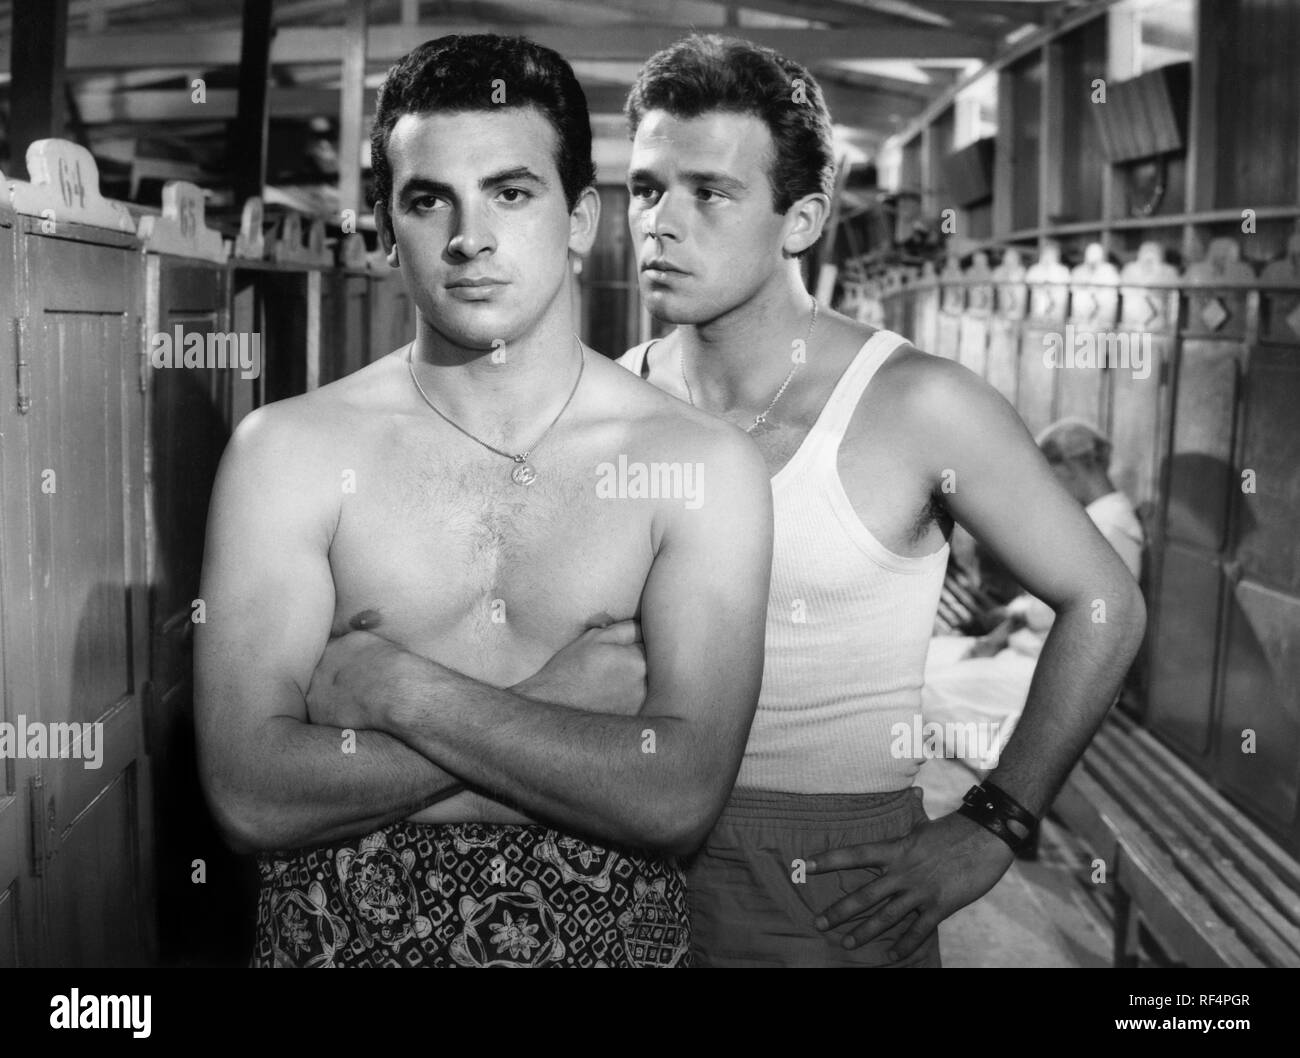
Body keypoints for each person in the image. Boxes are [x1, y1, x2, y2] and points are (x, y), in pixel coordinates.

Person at [194, 34, 772, 968]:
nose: (470, 236)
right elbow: (249, 798)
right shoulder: (288, 453)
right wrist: (562, 715)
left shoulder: (702, 468)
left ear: (581, 218)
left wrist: (391, 689)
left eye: (511, 192)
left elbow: (676, 802)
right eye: (429, 200)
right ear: (388, 226)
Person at [617, 34, 1146, 966]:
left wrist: (995, 821)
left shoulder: (918, 404)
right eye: (644, 186)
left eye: (708, 191)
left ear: (802, 219)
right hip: (618, 837)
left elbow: (1106, 604)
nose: (660, 221)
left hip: (826, 870)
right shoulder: (609, 400)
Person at [923, 419, 1147, 772]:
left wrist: (1007, 623)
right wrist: (1003, 628)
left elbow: (1062, 614)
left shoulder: (1109, 528)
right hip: (1033, 654)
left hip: (1062, 676)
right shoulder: (1098, 519)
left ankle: (991, 786)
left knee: (926, 691)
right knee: (923, 661)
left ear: (1072, 467)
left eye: (1051, 473)